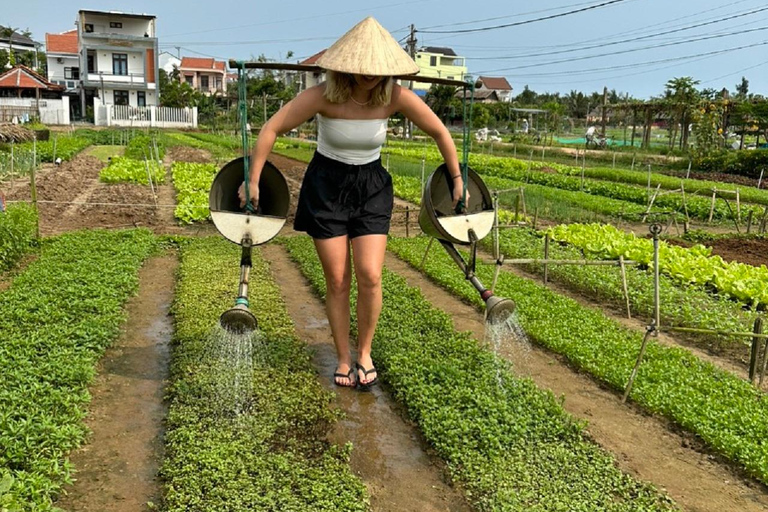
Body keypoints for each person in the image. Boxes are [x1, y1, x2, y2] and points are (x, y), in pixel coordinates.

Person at [239, 16, 468, 390]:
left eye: (377, 71)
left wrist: (457, 179)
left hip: (371, 188)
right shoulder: (323, 95)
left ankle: (365, 352)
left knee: (371, 276)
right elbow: (272, 128)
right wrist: (252, 180)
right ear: (345, 66)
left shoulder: (393, 97)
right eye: (363, 70)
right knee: (338, 279)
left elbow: (440, 131)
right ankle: (343, 356)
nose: (369, 76)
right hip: (327, 187)